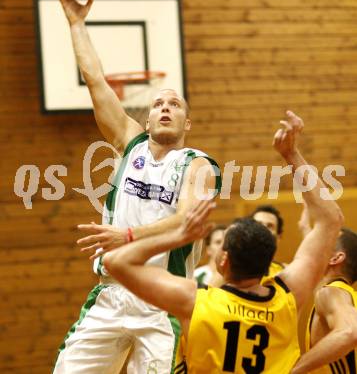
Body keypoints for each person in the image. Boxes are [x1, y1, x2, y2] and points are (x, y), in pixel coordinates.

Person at [53, 0, 221, 374]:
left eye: (174, 104)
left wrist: (126, 237)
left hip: (162, 300)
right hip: (111, 293)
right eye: (158, 104)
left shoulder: (197, 164)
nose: (165, 108)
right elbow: (95, 80)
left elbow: (186, 221)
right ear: (146, 121)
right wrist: (76, 23)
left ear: (187, 124)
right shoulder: (130, 145)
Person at [103, 111, 344, 373]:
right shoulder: (288, 295)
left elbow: (115, 261)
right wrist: (291, 155)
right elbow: (331, 219)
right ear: (268, 264)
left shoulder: (194, 301)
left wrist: (179, 235)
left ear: (223, 260)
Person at [292, 208, 357, 373]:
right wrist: (306, 226)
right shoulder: (346, 294)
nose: (315, 247)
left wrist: (294, 369)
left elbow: (350, 331)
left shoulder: (331, 292)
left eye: (324, 243)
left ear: (335, 259)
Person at [250, 204, 286, 276]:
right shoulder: (231, 270)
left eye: (269, 226)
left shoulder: (286, 273)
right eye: (258, 224)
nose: (263, 229)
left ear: (279, 236)